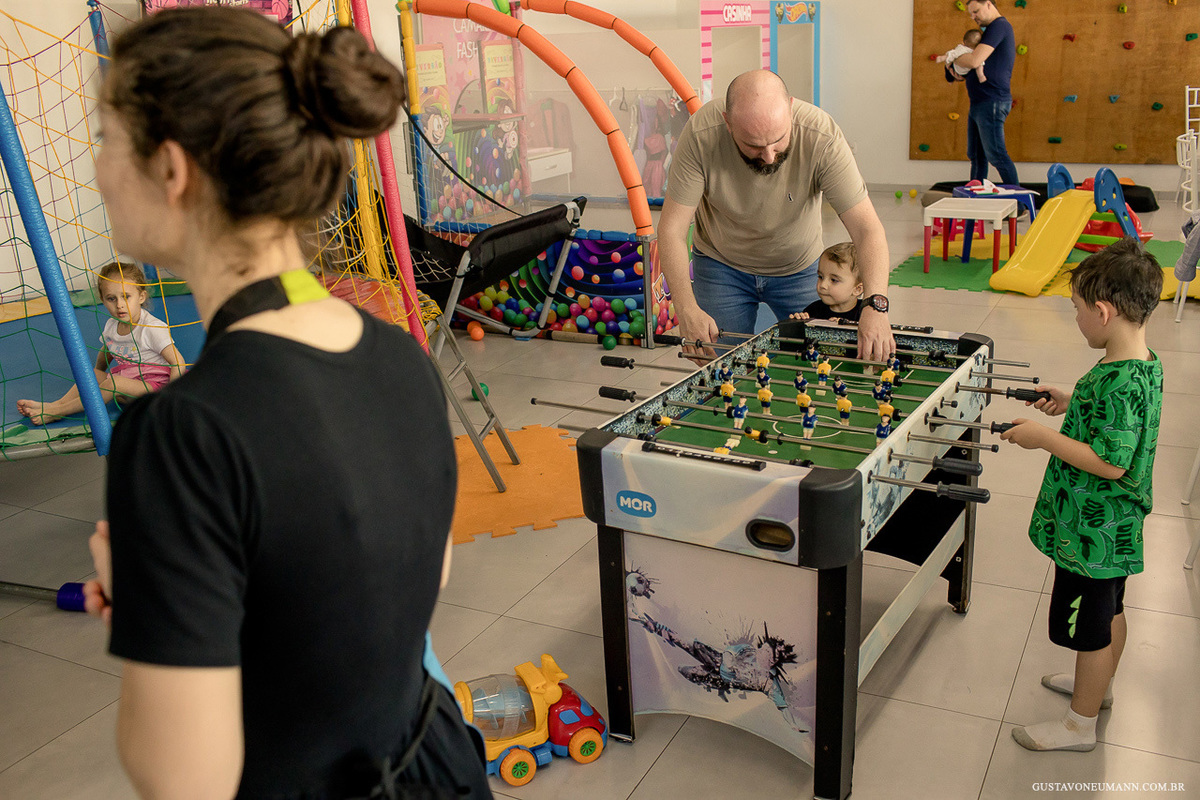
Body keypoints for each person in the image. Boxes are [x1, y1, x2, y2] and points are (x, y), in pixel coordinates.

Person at [79, 8, 492, 798]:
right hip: (439, 766)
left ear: (172, 168)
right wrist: (193, 599)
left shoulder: (181, 432)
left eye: (104, 138)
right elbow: (414, 577)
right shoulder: (399, 355)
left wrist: (146, 604)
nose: (96, 168)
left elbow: (182, 780)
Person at [1000, 238, 1163, 752]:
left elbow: (1112, 462)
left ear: (1103, 311)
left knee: (1091, 625)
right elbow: (1118, 422)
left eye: (1075, 309)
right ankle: (1099, 690)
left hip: (1095, 532)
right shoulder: (1141, 362)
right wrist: (1073, 399)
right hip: (1112, 532)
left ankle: (1079, 725)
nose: (1074, 318)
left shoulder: (1118, 382)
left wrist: (1044, 437)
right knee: (1111, 610)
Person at [659, 69, 894, 363]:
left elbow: (867, 229)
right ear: (728, 123)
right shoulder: (700, 136)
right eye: (754, 146)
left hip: (797, 265)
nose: (769, 156)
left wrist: (875, 304)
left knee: (818, 364)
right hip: (722, 265)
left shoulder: (822, 137)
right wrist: (686, 308)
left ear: (791, 108)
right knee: (718, 365)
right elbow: (671, 230)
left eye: (779, 140)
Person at [16, 261, 185, 425]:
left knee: (114, 383)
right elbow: (107, 351)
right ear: (103, 300)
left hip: (154, 389)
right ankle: (56, 405)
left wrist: (169, 399)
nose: (119, 305)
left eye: (126, 297)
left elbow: (178, 362)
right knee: (92, 375)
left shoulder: (151, 328)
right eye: (111, 299)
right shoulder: (112, 326)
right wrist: (97, 375)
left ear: (141, 296)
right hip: (127, 387)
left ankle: (58, 412)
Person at [945, 0, 1019, 186]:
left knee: (996, 155)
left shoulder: (999, 26)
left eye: (976, 11)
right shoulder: (989, 31)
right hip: (979, 102)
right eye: (971, 13)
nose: (973, 17)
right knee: (977, 156)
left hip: (992, 101)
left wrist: (955, 56)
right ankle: (975, 203)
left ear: (988, 4)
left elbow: (974, 61)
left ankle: (1021, 204)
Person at [788, 242, 864, 322]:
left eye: (834, 280)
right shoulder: (813, 310)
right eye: (821, 277)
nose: (823, 285)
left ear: (857, 289)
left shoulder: (866, 314)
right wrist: (798, 322)